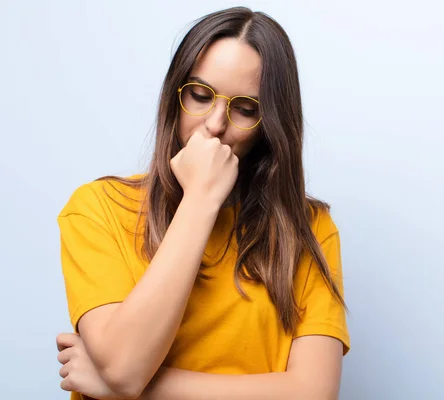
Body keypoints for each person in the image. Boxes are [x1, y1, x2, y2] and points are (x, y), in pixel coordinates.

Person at [54, 6, 350, 400]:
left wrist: (131, 388)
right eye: (199, 95)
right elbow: (125, 366)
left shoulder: (308, 227)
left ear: (270, 124)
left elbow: (312, 394)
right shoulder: (97, 208)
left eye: (245, 109)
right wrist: (200, 199)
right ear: (175, 96)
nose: (214, 124)